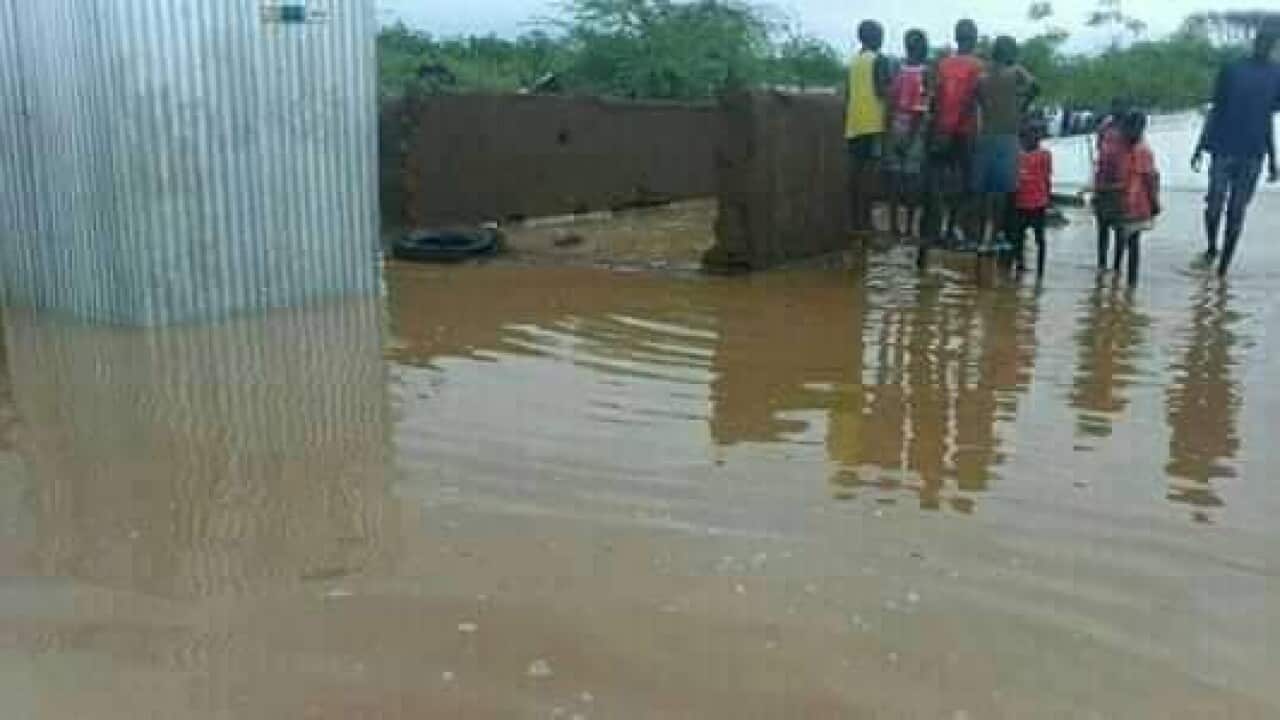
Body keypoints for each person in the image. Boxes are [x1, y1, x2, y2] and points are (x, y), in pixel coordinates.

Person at [1190, 24, 1280, 276]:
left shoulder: (1277, 75)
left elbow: (1266, 119)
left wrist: (1273, 159)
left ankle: (1222, 271)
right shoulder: (1231, 69)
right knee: (1214, 206)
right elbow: (1216, 110)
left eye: (1269, 44)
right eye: (1261, 43)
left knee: (1236, 212)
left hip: (1253, 154)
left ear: (1273, 47)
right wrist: (1200, 147)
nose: (1264, 48)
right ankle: (1212, 248)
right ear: (1255, 42)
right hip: (1223, 148)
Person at [919, 19, 984, 268]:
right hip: (964, 132)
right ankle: (953, 231)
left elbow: (934, 98)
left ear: (957, 38)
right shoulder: (978, 66)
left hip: (941, 130)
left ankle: (933, 235)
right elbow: (972, 100)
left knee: (937, 185)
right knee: (965, 186)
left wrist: (937, 128)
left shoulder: (943, 64)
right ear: (974, 38)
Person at [973, 35, 1038, 254]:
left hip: (985, 136)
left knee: (985, 192)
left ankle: (983, 236)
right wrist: (1021, 107)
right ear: (1010, 53)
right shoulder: (1016, 72)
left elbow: (978, 100)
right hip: (1007, 136)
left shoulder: (982, 77)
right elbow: (1035, 86)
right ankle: (996, 235)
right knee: (1001, 192)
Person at [845, 20, 893, 233]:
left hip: (854, 125)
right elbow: (883, 92)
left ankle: (855, 221)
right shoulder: (879, 60)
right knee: (871, 178)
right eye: (880, 36)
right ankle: (867, 223)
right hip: (874, 125)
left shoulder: (853, 62)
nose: (882, 40)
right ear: (875, 38)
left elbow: (848, 94)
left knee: (856, 176)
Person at [885, 29, 931, 239]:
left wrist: (889, 131)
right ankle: (909, 227)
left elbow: (890, 102)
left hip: (897, 124)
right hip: (915, 129)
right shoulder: (925, 73)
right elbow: (920, 110)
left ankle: (894, 226)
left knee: (895, 179)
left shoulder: (897, 71)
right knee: (912, 180)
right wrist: (911, 138)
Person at [1112, 111, 1161, 286]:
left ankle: (1129, 282)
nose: (1125, 132)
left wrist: (1154, 203)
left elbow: (1150, 180)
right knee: (1124, 240)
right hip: (1124, 202)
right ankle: (1120, 277)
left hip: (1135, 204)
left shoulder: (1142, 151)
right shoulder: (1127, 149)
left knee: (1132, 243)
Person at [1012, 122, 1053, 277]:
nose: (1034, 138)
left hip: (1038, 203)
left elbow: (1047, 178)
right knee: (1018, 237)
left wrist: (1048, 199)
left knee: (1039, 238)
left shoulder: (1045, 155)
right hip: (1021, 202)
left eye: (1036, 135)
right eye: (1031, 135)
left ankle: (1040, 272)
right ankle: (1020, 265)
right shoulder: (1018, 155)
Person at [1093, 97, 1130, 269]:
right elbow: (1099, 150)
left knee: (1120, 228)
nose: (1117, 110)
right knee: (1102, 227)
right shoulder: (1104, 127)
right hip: (1103, 183)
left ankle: (1117, 266)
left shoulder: (1129, 129)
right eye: (1115, 106)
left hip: (1121, 185)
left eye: (1120, 106)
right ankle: (1101, 264)